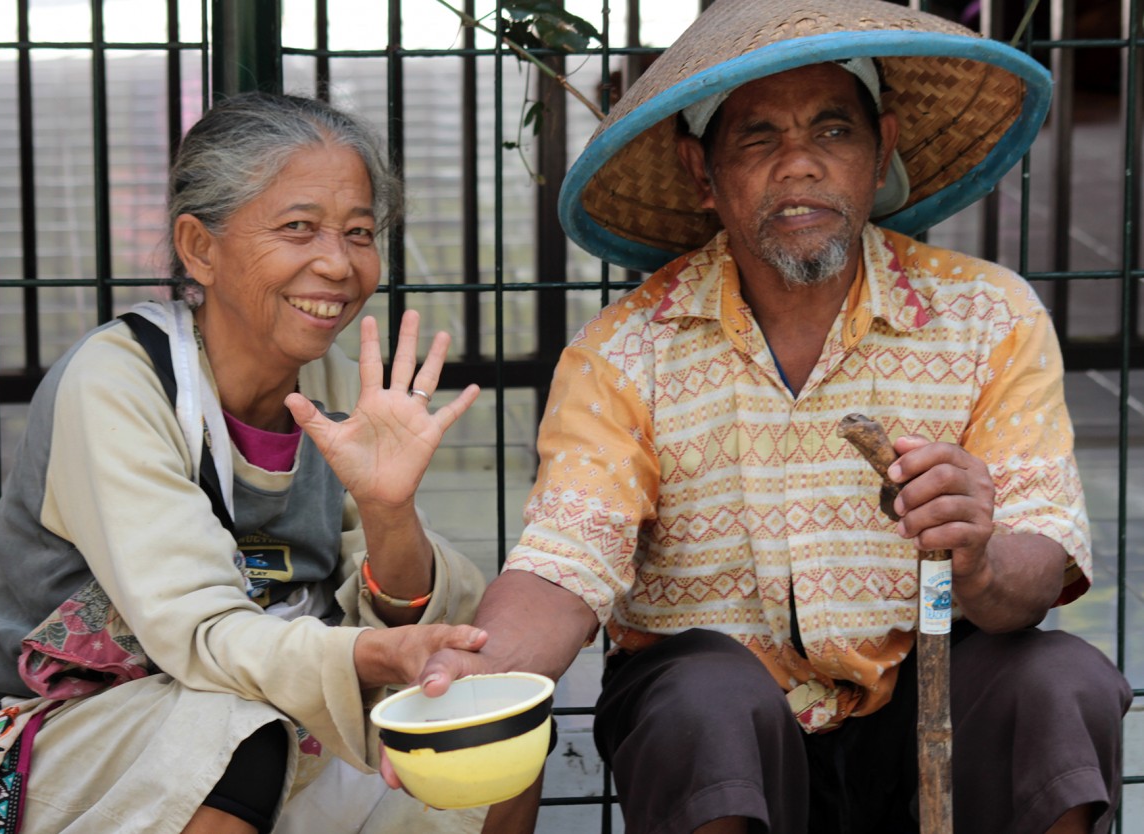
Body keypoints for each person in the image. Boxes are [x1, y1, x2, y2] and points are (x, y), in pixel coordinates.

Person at [415, 2, 1133, 833]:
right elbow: (565, 562)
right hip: (726, 730)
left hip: (927, 693)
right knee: (704, 703)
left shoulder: (989, 317)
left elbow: (1038, 569)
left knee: (1059, 681)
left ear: (881, 149)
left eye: (833, 132)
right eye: (759, 137)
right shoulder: (624, 351)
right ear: (701, 172)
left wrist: (977, 555)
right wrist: (471, 680)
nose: (800, 165)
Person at [0, 92, 491, 834]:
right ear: (199, 248)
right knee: (232, 735)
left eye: (360, 232)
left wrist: (388, 509)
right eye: (299, 228)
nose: (337, 264)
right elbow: (202, 634)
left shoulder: (340, 390)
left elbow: (411, 610)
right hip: (28, 736)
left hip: (248, 709)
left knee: (483, 744)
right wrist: (374, 652)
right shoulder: (120, 381)